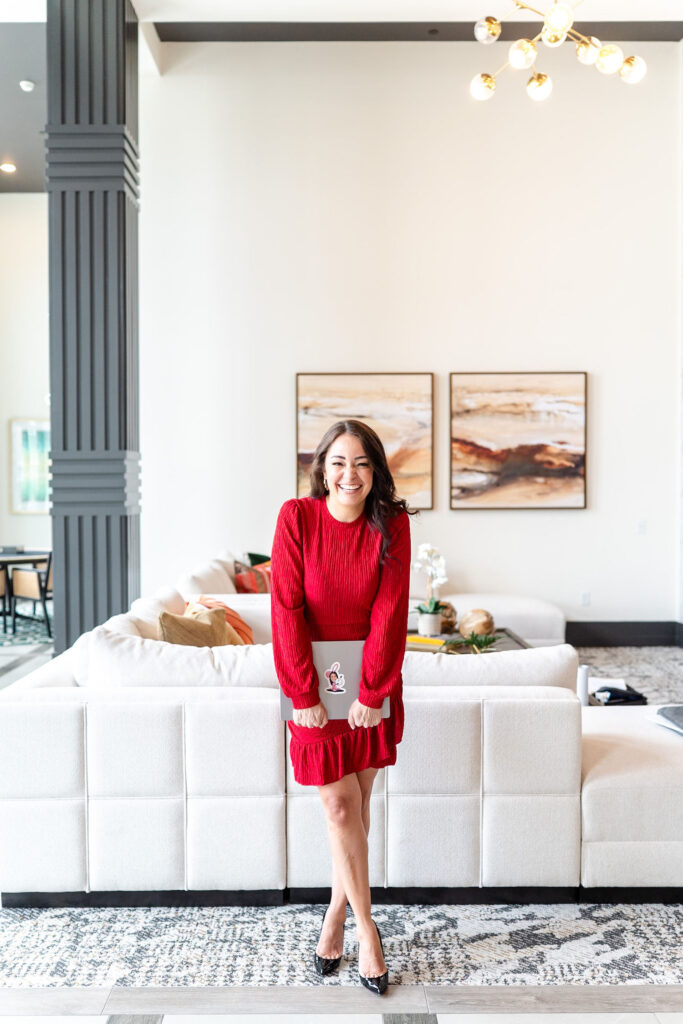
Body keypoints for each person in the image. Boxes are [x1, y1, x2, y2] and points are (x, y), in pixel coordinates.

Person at [270, 418, 416, 995]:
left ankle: (333, 921)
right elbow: (285, 608)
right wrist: (303, 693)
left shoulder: (392, 525)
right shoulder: (296, 518)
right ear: (322, 469)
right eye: (338, 462)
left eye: (360, 463)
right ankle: (368, 932)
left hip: (368, 689)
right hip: (311, 687)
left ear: (374, 470)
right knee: (338, 807)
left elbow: (391, 610)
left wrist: (373, 693)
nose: (348, 474)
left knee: (354, 808)